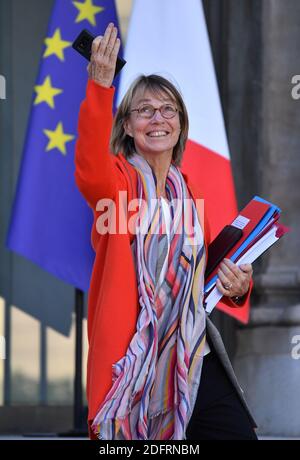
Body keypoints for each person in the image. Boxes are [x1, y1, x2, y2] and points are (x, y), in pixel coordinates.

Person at [75, 23, 257, 441]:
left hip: (191, 353)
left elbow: (206, 274)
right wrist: (102, 88)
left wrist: (236, 285)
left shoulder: (188, 194)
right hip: (134, 362)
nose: (158, 118)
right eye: (144, 110)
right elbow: (88, 169)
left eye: (168, 110)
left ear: (180, 124)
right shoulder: (117, 184)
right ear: (126, 127)